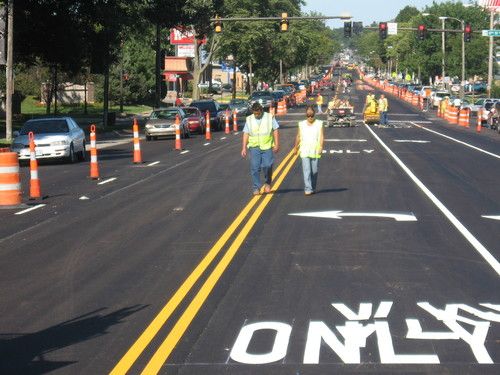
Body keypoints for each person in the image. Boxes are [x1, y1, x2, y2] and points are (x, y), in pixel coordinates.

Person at [241, 102, 280, 195]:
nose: (256, 115)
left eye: (258, 113)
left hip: (267, 146)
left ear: (261, 111)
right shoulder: (249, 119)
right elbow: (246, 133)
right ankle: (256, 187)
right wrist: (244, 148)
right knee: (255, 167)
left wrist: (277, 144)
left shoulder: (269, 117)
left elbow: (275, 130)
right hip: (254, 147)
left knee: (268, 165)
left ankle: (267, 183)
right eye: (255, 113)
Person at [294, 105, 324, 196]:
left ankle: (313, 188)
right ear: (306, 115)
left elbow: (321, 136)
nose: (310, 117)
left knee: (314, 171)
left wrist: (321, 147)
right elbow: (298, 136)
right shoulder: (301, 124)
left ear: (314, 114)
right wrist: (295, 148)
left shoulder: (319, 123)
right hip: (305, 150)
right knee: (307, 170)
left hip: (315, 150)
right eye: (308, 116)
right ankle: (308, 188)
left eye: (311, 116)